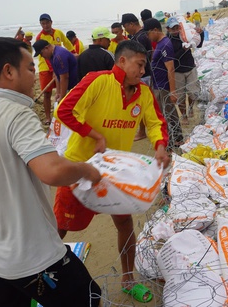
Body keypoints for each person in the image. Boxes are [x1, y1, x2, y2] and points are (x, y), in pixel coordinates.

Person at [0, 37, 102, 306]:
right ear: (8, 71)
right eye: (30, 68)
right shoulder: (16, 113)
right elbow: (51, 171)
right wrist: (87, 169)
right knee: (89, 297)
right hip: (31, 254)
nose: (36, 76)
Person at [54, 40, 170, 303]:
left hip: (115, 172)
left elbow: (155, 123)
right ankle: (39, 280)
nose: (142, 71)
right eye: (139, 65)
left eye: (144, 66)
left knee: (125, 224)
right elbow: (64, 110)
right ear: (122, 61)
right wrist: (94, 135)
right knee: (60, 228)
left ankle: (128, 279)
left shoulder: (143, 93)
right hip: (79, 169)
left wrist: (160, 147)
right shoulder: (98, 81)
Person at [145, 18, 184, 147]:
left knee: (167, 114)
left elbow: (170, 68)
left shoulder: (165, 44)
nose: (147, 37)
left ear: (155, 30)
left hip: (163, 86)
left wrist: (173, 91)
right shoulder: (160, 44)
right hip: (158, 84)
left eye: (148, 33)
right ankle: (175, 139)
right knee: (167, 113)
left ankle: (174, 141)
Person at [34, 14, 75, 125]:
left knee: (62, 89)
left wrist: (74, 53)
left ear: (51, 22)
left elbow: (67, 44)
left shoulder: (58, 33)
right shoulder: (40, 37)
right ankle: (48, 117)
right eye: (43, 23)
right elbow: (45, 55)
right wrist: (53, 71)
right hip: (45, 68)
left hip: (59, 64)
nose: (45, 25)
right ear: (40, 24)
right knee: (47, 94)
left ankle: (62, 113)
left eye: (47, 22)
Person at [122, 13, 154, 141]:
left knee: (141, 103)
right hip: (145, 73)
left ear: (131, 24)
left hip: (143, 75)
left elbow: (141, 59)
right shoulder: (140, 35)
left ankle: (142, 131)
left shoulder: (140, 38)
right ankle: (143, 129)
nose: (126, 30)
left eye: (125, 27)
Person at [166, 18, 199, 123]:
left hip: (190, 67)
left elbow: (198, 43)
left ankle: (190, 108)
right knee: (180, 96)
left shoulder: (184, 35)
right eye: (173, 29)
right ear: (168, 29)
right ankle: (184, 116)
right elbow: (172, 58)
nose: (175, 31)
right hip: (177, 71)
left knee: (193, 92)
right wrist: (183, 50)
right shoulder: (167, 41)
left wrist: (200, 34)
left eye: (177, 28)